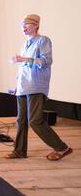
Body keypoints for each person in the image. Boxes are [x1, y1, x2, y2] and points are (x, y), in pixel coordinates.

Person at [7, 14, 73, 160]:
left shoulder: (43, 40)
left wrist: (23, 59)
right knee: (21, 120)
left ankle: (62, 148)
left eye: (27, 24)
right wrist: (17, 85)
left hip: (35, 86)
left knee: (35, 120)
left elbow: (46, 61)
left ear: (36, 25)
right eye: (22, 24)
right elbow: (22, 68)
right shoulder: (25, 44)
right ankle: (19, 151)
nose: (23, 27)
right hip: (23, 87)